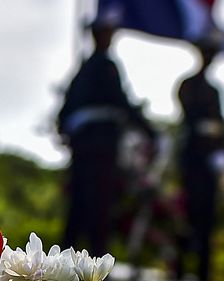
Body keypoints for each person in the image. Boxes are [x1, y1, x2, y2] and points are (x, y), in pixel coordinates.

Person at [57, 9, 154, 257]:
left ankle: (72, 255)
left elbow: (66, 110)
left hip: (85, 143)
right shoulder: (103, 66)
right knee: (97, 202)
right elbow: (120, 101)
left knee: (81, 201)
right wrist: (149, 131)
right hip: (99, 143)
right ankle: (95, 257)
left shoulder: (84, 69)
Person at [176, 40, 224, 281]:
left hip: (209, 161)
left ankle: (203, 272)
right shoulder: (188, 85)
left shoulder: (215, 91)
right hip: (192, 158)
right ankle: (179, 267)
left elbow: (220, 124)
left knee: (207, 216)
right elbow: (191, 116)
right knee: (187, 213)